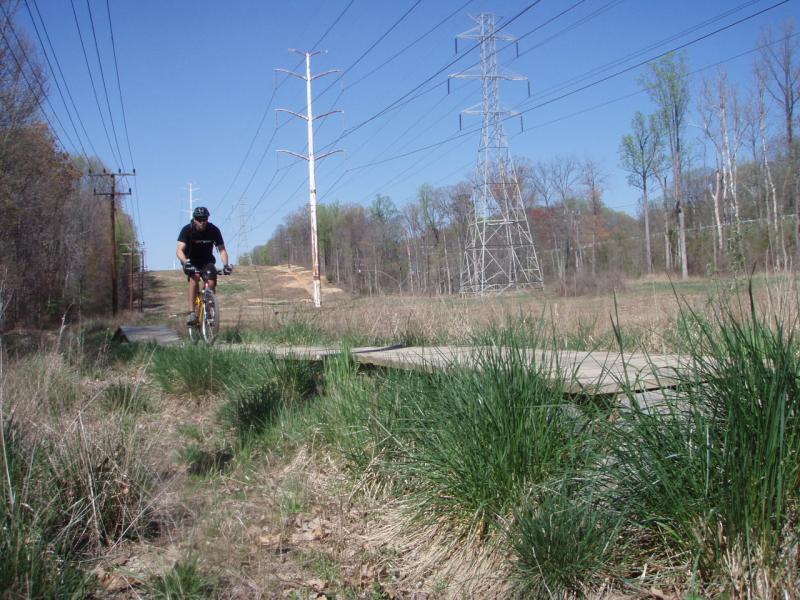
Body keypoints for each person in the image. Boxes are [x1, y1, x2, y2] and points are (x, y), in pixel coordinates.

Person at [176, 206, 233, 325]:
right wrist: (185, 262)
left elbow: (222, 249)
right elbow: (179, 250)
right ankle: (191, 312)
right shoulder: (187, 230)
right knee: (195, 277)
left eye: (205, 219)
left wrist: (226, 265)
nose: (202, 222)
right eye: (199, 219)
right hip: (191, 261)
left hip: (207, 262)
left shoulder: (213, 230)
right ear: (194, 219)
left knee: (211, 283)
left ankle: (207, 304)